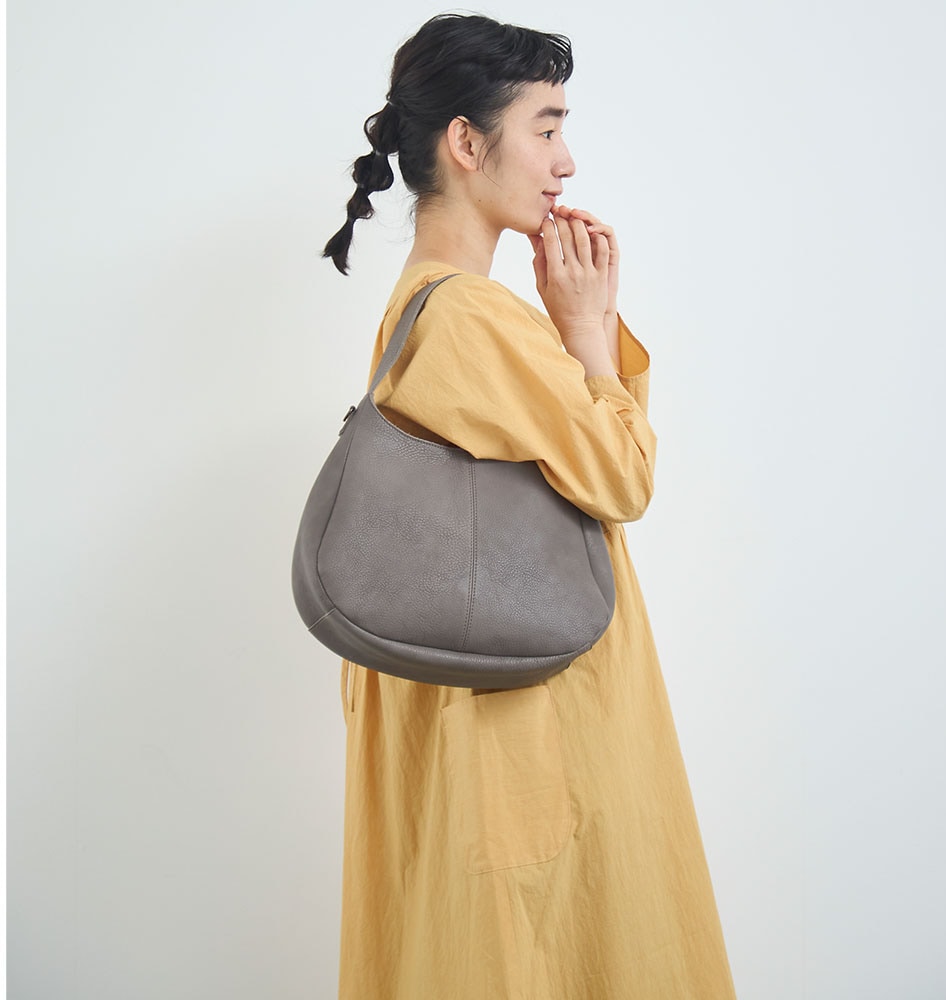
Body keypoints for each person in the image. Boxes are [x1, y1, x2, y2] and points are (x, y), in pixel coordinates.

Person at [322, 13, 737, 999]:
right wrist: (587, 330)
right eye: (545, 128)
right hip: (526, 721)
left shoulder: (420, 302)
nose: (565, 161)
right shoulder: (470, 314)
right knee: (559, 951)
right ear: (467, 143)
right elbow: (621, 478)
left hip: (485, 702)